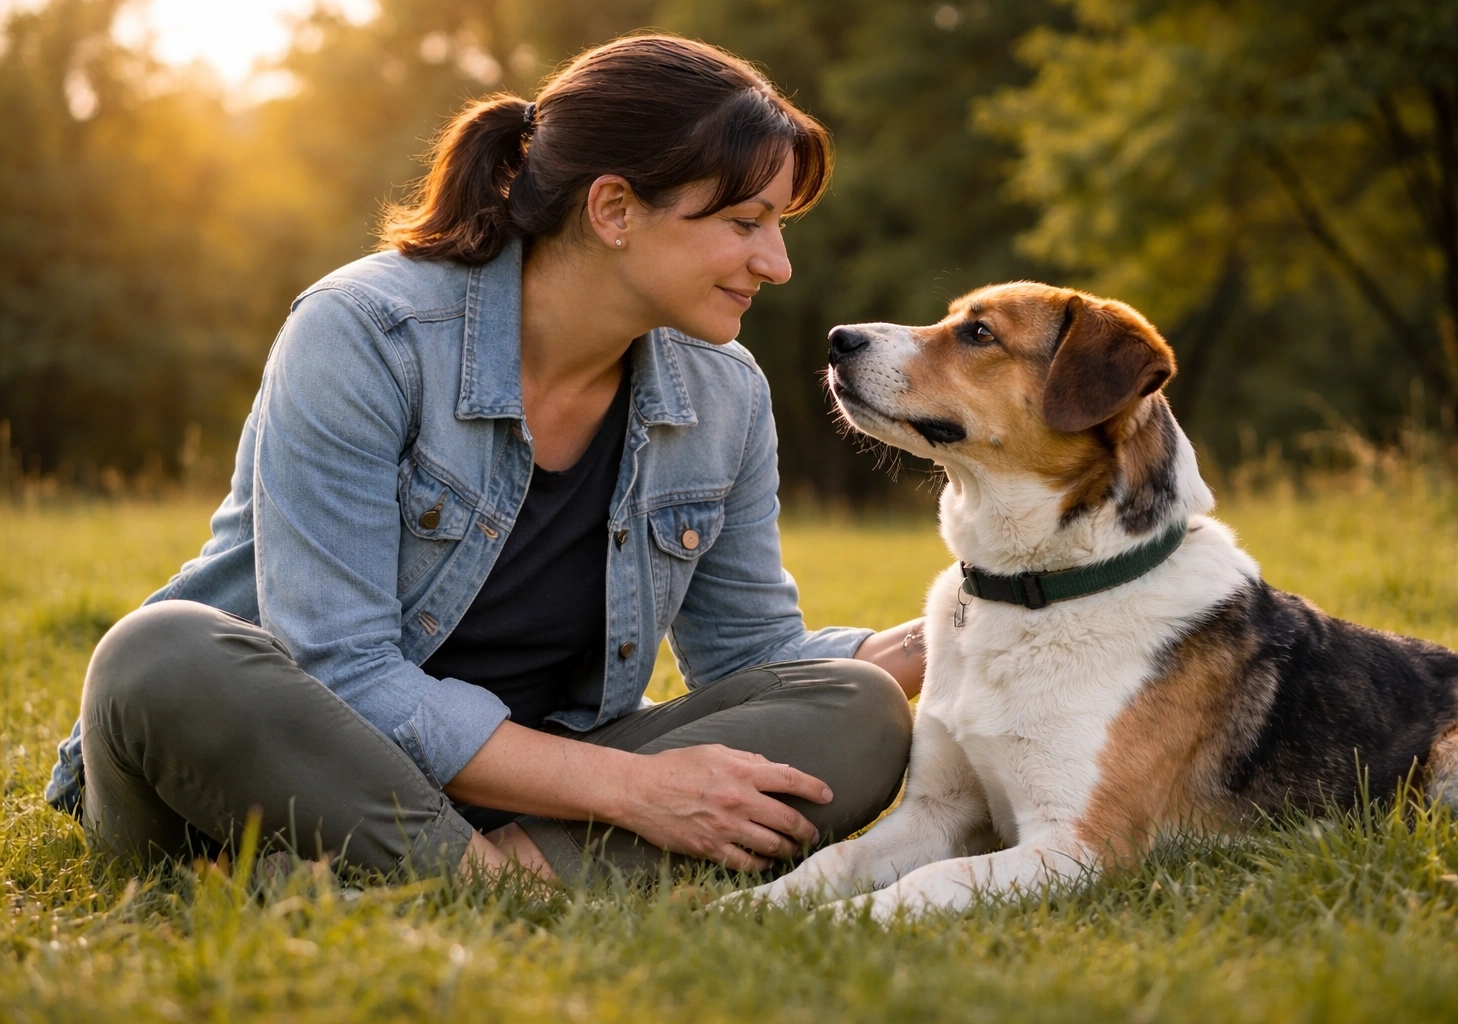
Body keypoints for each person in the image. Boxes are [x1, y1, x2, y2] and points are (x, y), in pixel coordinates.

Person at [44, 34, 923, 885]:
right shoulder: (366, 332)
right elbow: (340, 669)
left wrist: (958, 630)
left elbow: (748, 656)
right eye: (745, 223)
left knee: (856, 712)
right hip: (276, 771)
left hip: (530, 783)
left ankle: (459, 876)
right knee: (155, 655)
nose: (777, 264)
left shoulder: (723, 391)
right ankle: (501, 880)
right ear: (613, 209)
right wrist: (633, 790)